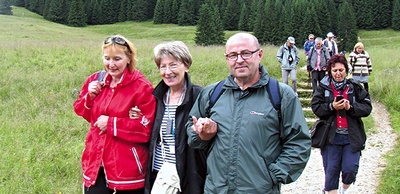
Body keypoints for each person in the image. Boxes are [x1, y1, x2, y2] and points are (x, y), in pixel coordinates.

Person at [186, 32, 311, 193]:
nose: (239, 60)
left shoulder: (281, 95)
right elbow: (191, 131)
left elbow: (299, 142)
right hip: (216, 189)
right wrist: (202, 134)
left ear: (259, 55)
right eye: (232, 55)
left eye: (246, 53)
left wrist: (272, 176)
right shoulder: (212, 93)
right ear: (227, 59)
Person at [73, 35, 156, 193]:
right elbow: (81, 111)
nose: (111, 64)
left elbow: (146, 129)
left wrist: (111, 124)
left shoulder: (142, 87)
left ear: (129, 58)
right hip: (95, 164)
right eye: (107, 58)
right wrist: (89, 97)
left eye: (117, 59)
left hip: (127, 171)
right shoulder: (96, 80)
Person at [136, 41, 206, 194]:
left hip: (186, 175)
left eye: (173, 65)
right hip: (158, 174)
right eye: (163, 66)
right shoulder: (156, 97)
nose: (168, 72)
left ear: (186, 66)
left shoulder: (200, 96)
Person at [311, 54, 372, 194]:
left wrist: (350, 108)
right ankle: (330, 191)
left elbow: (367, 108)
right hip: (330, 137)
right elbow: (316, 107)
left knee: (350, 170)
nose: (338, 73)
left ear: (346, 70)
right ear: (330, 72)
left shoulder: (355, 87)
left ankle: (343, 189)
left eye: (341, 70)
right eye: (335, 71)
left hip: (352, 137)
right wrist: (332, 107)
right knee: (331, 172)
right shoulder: (323, 88)